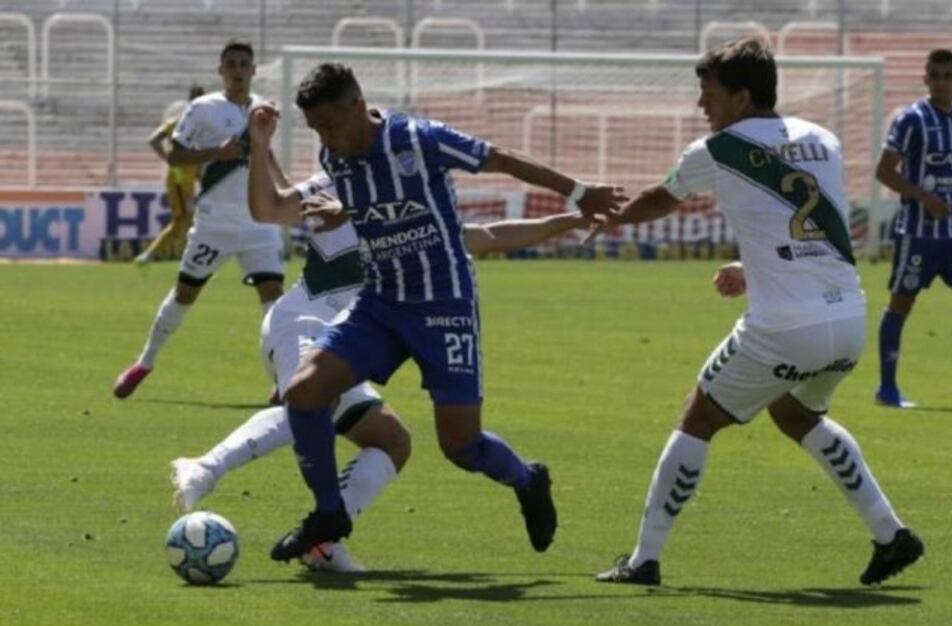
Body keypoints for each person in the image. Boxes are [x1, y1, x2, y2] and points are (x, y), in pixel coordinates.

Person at [248, 62, 626, 562]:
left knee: (460, 445)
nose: (326, 138)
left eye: (332, 126)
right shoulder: (334, 157)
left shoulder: (419, 139)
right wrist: (344, 209)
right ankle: (328, 513)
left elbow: (501, 159)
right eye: (318, 129)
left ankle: (527, 479)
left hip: (444, 304)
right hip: (381, 303)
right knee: (302, 392)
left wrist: (579, 193)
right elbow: (350, 203)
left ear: (359, 107)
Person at [593, 39, 923, 587]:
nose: (704, 105)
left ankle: (644, 560)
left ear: (743, 97)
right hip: (847, 322)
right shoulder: (825, 139)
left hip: (785, 329)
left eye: (711, 94)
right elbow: (809, 226)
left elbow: (661, 198)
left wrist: (614, 218)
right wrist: (752, 269)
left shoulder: (718, 150)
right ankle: (891, 535)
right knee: (795, 415)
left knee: (699, 417)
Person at [170, 179, 597, 571]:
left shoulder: (417, 217)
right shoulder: (334, 188)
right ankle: (205, 468)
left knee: (392, 442)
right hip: (301, 324)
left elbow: (489, 236)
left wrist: (569, 220)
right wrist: (261, 143)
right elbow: (271, 206)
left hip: (347, 344)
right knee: (311, 400)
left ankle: (327, 544)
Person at [113, 39, 287, 399]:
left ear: (253, 71)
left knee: (274, 300)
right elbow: (175, 156)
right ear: (221, 71)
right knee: (184, 294)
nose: (238, 70)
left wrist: (288, 190)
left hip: (259, 225)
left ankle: (283, 378)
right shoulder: (202, 109)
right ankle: (144, 362)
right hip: (214, 224)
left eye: (244, 64)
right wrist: (217, 153)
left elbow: (265, 154)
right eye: (231, 64)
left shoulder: (263, 110)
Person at [874, 48, 952, 408]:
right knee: (901, 305)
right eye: (935, 76)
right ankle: (887, 390)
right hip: (918, 235)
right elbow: (884, 171)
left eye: (948, 76)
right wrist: (924, 198)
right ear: (925, 79)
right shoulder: (911, 119)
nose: (941, 83)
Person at [135, 83, 207, 265]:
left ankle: (153, 256)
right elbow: (154, 140)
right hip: (180, 177)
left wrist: (200, 176)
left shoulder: (197, 124)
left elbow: (198, 153)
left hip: (186, 177)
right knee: (185, 219)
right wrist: (170, 159)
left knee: (185, 220)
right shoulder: (181, 120)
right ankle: (186, 261)